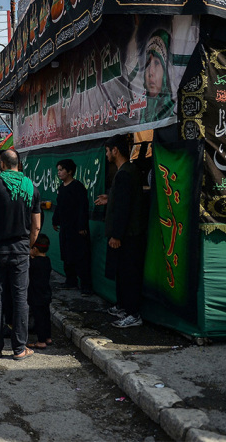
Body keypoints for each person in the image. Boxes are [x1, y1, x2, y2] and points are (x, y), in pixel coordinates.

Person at [0, 149, 41, 360]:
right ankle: (19, 348)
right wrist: (27, 244)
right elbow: (37, 225)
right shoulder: (31, 186)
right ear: (18, 165)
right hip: (21, 250)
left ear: (2, 164)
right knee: (20, 297)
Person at [94, 135, 145, 328]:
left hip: (128, 236)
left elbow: (124, 208)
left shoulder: (125, 173)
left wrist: (116, 235)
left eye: (107, 151)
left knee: (129, 274)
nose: (106, 154)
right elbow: (125, 199)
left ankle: (133, 313)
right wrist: (110, 198)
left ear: (115, 150)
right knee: (122, 273)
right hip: (129, 234)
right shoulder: (126, 171)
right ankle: (123, 306)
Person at [52, 159, 93, 295]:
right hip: (65, 228)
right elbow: (59, 206)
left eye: (61, 170)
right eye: (58, 170)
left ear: (69, 171)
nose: (59, 172)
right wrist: (55, 220)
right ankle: (71, 280)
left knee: (80, 256)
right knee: (66, 254)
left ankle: (86, 286)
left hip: (77, 229)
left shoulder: (78, 187)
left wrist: (82, 226)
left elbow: (83, 208)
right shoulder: (61, 188)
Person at [139, 29, 174, 123]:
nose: (151, 72)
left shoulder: (173, 112)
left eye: (157, 63)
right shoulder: (142, 112)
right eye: (148, 64)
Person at [27, 234, 53, 350]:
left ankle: (41, 341)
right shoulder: (47, 261)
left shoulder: (33, 263)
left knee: (39, 318)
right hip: (46, 294)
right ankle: (48, 337)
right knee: (46, 316)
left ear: (35, 249)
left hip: (36, 295)